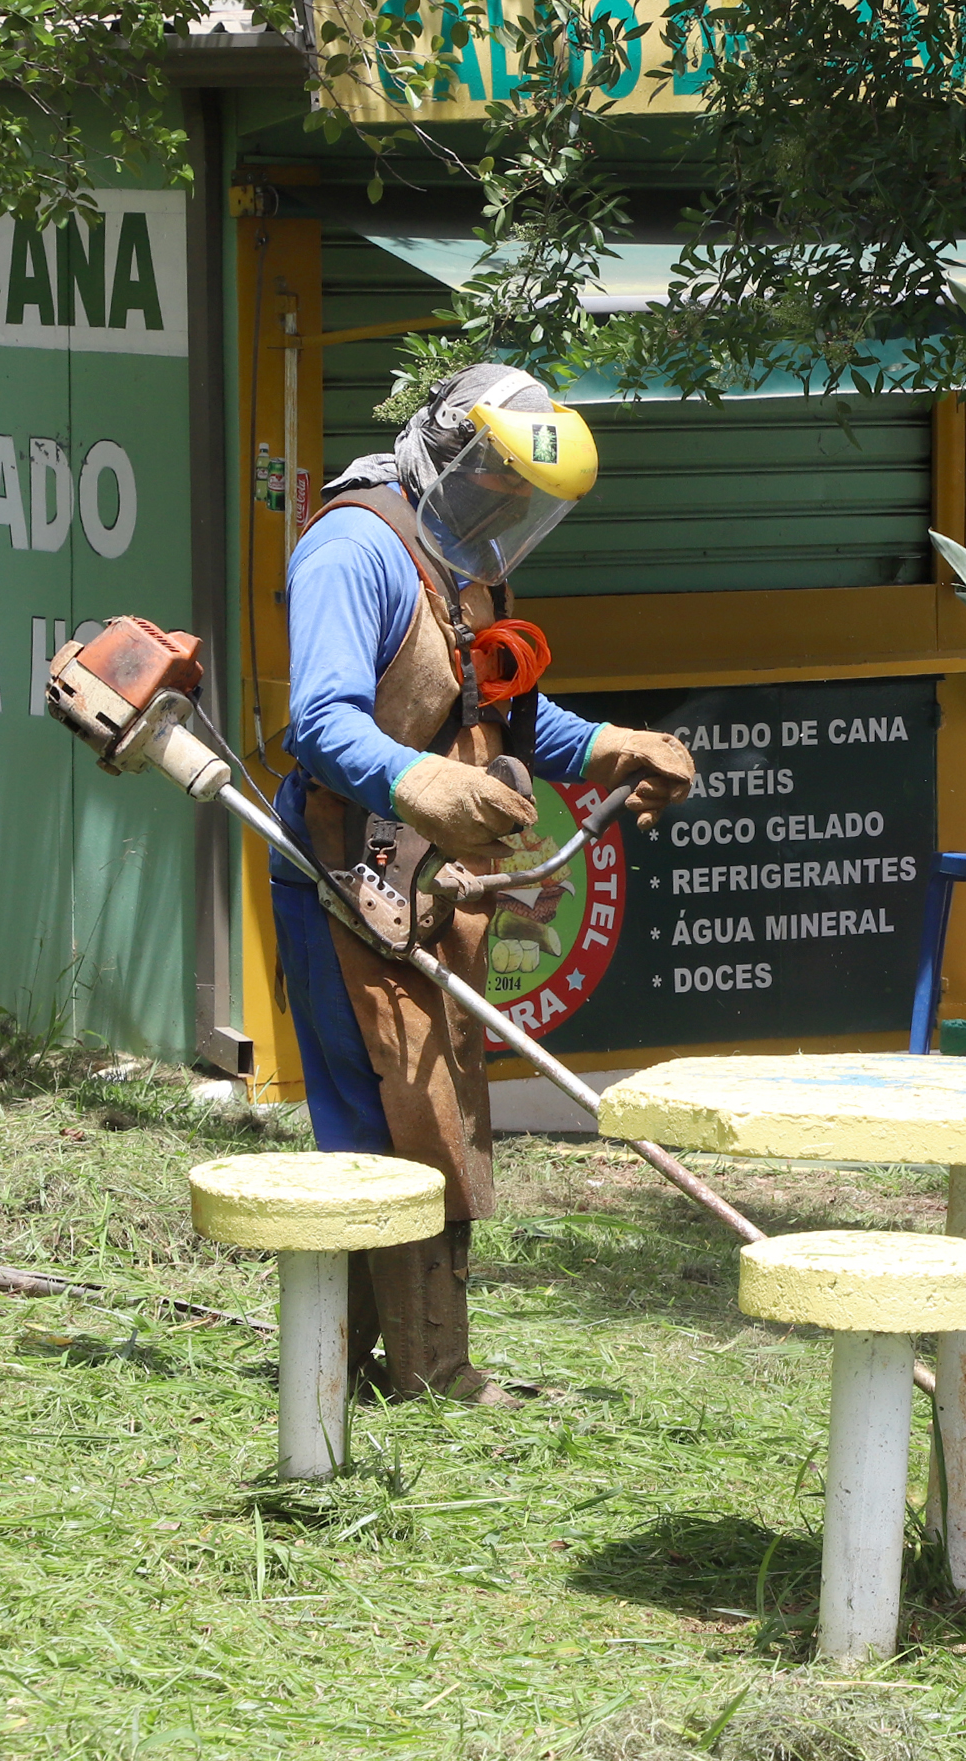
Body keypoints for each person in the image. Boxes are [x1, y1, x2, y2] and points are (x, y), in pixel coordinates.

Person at [270, 365, 694, 1405]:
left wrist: (611, 747)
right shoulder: (353, 549)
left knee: (441, 1105)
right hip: (346, 879)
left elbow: (504, 715)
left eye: (524, 497)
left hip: (437, 885)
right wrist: (420, 780)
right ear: (444, 450)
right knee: (381, 1118)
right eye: (493, 482)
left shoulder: (472, 568)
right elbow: (322, 726)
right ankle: (386, 1375)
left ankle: (395, 1365)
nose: (506, 509)